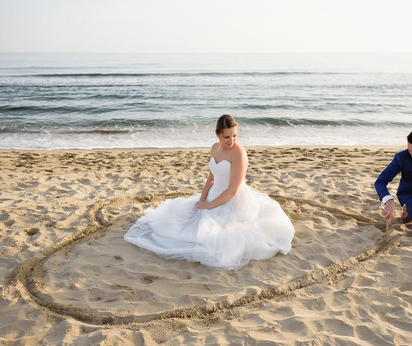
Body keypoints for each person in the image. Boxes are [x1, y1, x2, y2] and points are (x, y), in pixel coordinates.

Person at [124, 114, 295, 270]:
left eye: (235, 136)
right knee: (183, 220)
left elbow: (233, 190)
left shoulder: (239, 154)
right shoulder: (215, 148)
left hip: (233, 200)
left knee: (209, 234)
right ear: (218, 134)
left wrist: (210, 206)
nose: (231, 141)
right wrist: (203, 198)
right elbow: (211, 178)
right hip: (214, 193)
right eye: (227, 137)